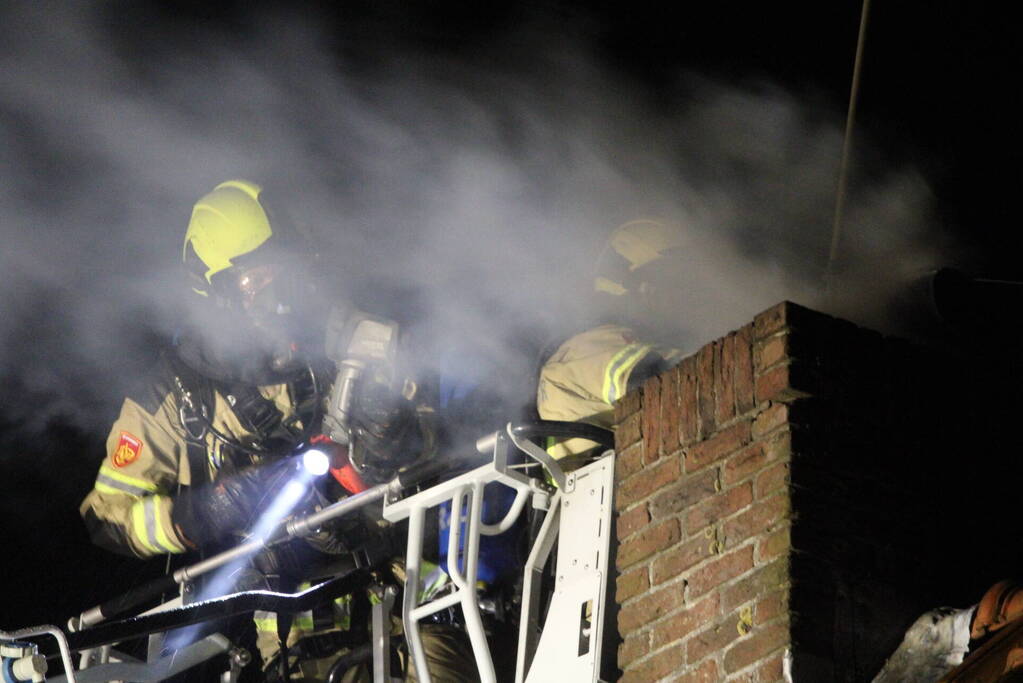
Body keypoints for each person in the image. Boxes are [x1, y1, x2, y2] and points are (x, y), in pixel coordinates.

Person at [79, 179, 477, 682]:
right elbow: (107, 517)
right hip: (294, 627)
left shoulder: (359, 342)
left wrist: (393, 436)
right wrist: (203, 511)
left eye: (285, 267)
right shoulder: (174, 398)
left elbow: (441, 447)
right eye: (257, 277)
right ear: (213, 286)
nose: (281, 291)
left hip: (407, 594)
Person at [536, 218, 691, 462]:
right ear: (639, 284)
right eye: (670, 282)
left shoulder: (597, 342)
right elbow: (657, 381)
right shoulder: (589, 346)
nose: (679, 294)